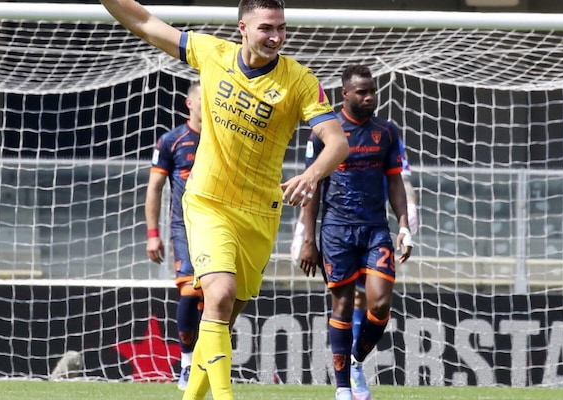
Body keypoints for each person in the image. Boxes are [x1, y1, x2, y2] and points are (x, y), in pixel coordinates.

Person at [101, 1, 350, 399]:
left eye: (281, 28)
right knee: (218, 295)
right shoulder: (211, 53)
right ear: (243, 28)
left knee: (222, 318)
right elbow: (146, 22)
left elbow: (337, 143)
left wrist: (311, 174)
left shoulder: (300, 81)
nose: (276, 37)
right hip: (208, 201)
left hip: (260, 213)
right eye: (266, 28)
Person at [297, 64, 413, 400]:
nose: (370, 97)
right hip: (336, 231)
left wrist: (404, 225)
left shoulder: (386, 132)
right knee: (344, 305)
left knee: (380, 304)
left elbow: (395, 181)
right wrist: (308, 240)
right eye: (362, 92)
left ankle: (356, 361)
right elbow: (312, 188)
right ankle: (343, 388)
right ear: (344, 94)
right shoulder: (325, 133)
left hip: (376, 230)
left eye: (372, 91)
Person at [291, 121, 419, 347]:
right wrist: (302, 231)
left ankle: (356, 355)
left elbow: (402, 179)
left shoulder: (387, 135)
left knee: (375, 300)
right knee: (352, 298)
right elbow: (314, 183)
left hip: (374, 224)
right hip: (341, 227)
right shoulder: (329, 135)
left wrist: (409, 213)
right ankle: (351, 362)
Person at [144, 81, 203, 391]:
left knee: (217, 297)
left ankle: (209, 362)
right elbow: (154, 189)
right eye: (202, 99)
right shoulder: (172, 140)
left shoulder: (225, 139)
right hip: (184, 227)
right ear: (189, 103)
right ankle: (187, 363)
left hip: (220, 226)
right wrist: (153, 234)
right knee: (190, 292)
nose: (208, 104)